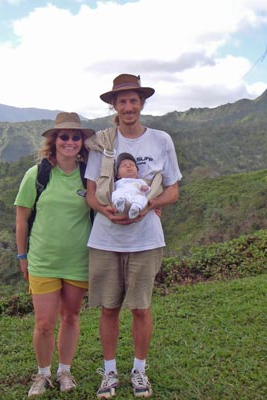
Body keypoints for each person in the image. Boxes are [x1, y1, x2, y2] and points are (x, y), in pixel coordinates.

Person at [84, 74, 182, 398]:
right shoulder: (103, 141)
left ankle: (139, 371)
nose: (128, 107)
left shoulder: (161, 140)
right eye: (122, 101)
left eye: (133, 100)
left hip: (146, 239)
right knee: (108, 308)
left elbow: (173, 190)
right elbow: (90, 195)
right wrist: (105, 210)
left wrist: (150, 204)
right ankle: (109, 372)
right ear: (114, 105)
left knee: (141, 308)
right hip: (106, 239)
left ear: (142, 103)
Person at [14, 112, 94, 397]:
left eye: (75, 137)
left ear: (82, 142)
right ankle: (43, 373)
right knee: (44, 322)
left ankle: (64, 370)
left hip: (78, 261)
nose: (69, 141)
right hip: (43, 260)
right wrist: (22, 256)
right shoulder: (37, 175)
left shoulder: (89, 175)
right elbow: (22, 218)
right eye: (64, 136)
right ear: (54, 140)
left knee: (71, 317)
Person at [112, 152, 151, 219]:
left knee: (142, 198)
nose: (128, 166)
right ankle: (119, 203)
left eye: (132, 165)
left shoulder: (140, 181)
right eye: (124, 166)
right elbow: (111, 190)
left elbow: (148, 190)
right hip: (123, 195)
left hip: (136, 195)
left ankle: (135, 209)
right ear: (118, 175)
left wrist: (146, 188)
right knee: (116, 193)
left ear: (137, 173)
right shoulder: (118, 182)